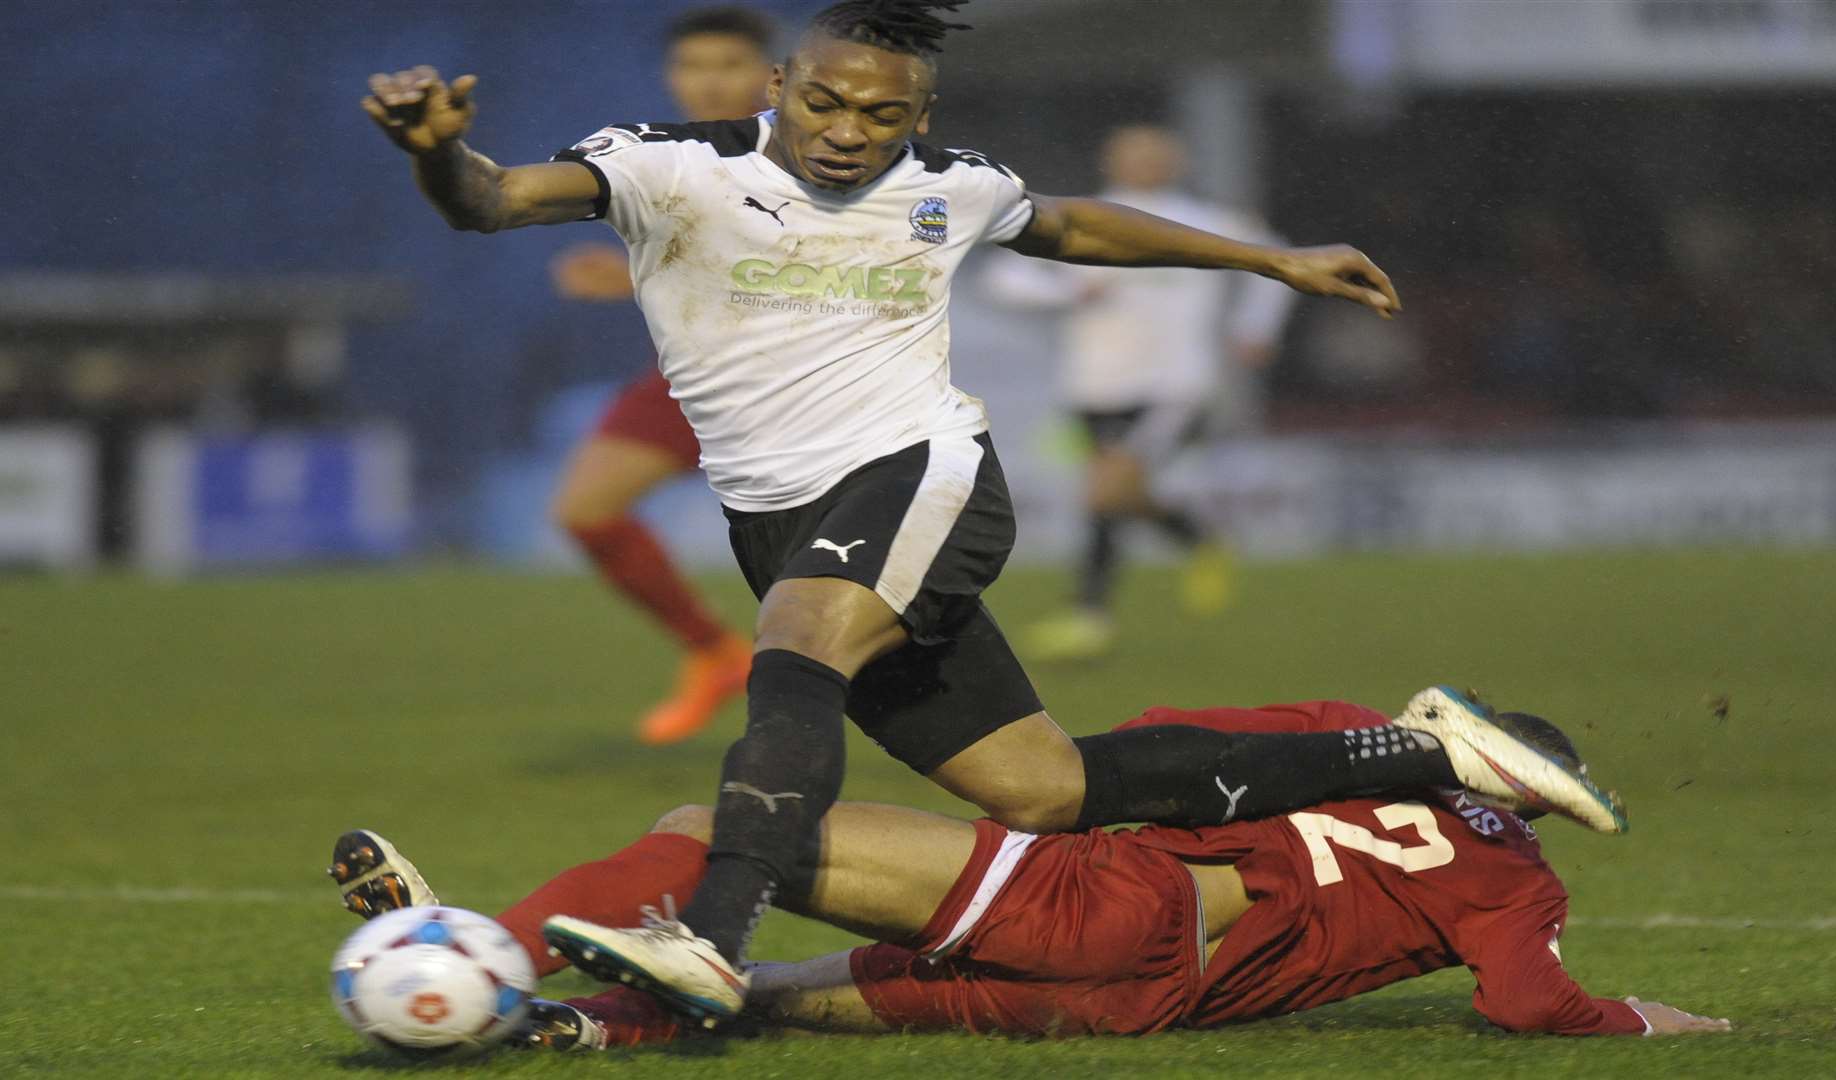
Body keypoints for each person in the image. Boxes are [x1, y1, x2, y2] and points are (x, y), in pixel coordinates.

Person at [361, 0, 1619, 1024]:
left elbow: (1067, 222)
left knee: (796, 649)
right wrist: (431, 150)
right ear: (782, 82)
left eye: (881, 114)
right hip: (773, 511)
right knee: (1043, 789)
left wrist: (1267, 260)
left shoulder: (949, 182)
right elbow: (490, 201)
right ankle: (1435, 749)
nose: (849, 132)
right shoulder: (666, 166)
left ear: (922, 116)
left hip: (916, 475)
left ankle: (711, 936)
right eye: (825, 101)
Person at [330, 693, 1716, 1051]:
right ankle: (549, 1024)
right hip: (1134, 1002)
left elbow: (1176, 756)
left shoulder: (1347, 741)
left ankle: (475, 948)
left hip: (1101, 899)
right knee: (761, 998)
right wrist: (1649, 1022)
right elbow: (1532, 1010)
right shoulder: (1522, 886)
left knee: (712, 830)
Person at [546, 7, 778, 747]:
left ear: (772, 75)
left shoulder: (810, 155)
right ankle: (715, 652)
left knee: (824, 574)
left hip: (794, 381)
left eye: (728, 64)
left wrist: (633, 282)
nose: (708, 82)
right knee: (587, 510)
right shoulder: (663, 153)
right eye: (692, 66)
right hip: (692, 374)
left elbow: (806, 274)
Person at [983, 126, 1298, 661]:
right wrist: (1069, 289)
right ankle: (1196, 538)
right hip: (1096, 384)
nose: (1145, 163)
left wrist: (1255, 328)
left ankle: (1089, 614)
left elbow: (1276, 261)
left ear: (1177, 161)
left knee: (1106, 492)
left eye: (1156, 155)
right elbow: (1004, 279)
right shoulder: (1082, 216)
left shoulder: (1207, 220)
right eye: (1134, 154)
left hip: (1176, 385)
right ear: (1111, 159)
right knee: (1111, 497)